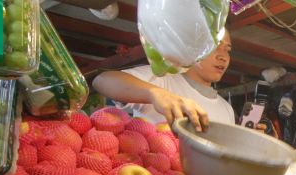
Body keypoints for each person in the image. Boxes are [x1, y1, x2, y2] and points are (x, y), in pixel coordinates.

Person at [92, 30, 235, 132]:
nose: (223, 57)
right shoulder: (162, 79)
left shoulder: (227, 110)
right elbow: (102, 80)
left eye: (227, 50)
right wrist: (154, 93)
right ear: (192, 48)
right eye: (214, 47)